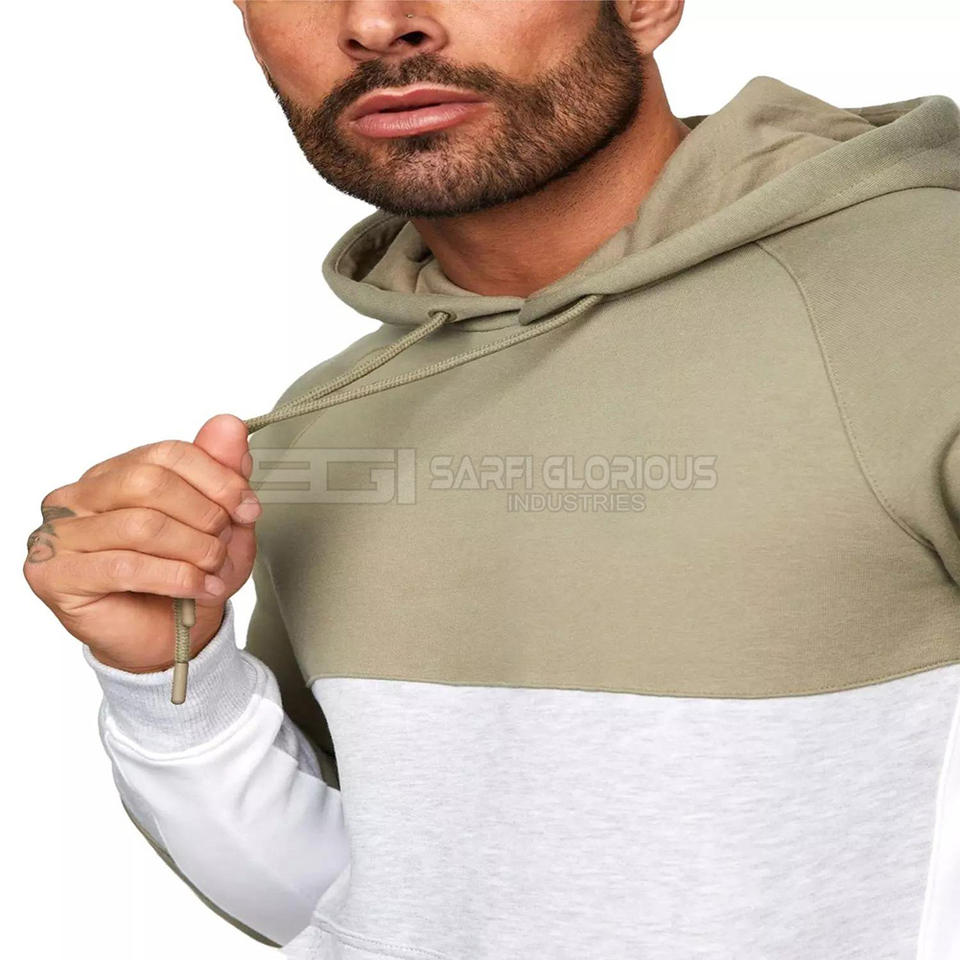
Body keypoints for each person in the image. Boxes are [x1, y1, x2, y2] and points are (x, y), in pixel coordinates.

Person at [22, 2, 960, 958]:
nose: (377, 22)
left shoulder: (928, 303)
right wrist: (169, 680)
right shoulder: (329, 419)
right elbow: (372, 898)